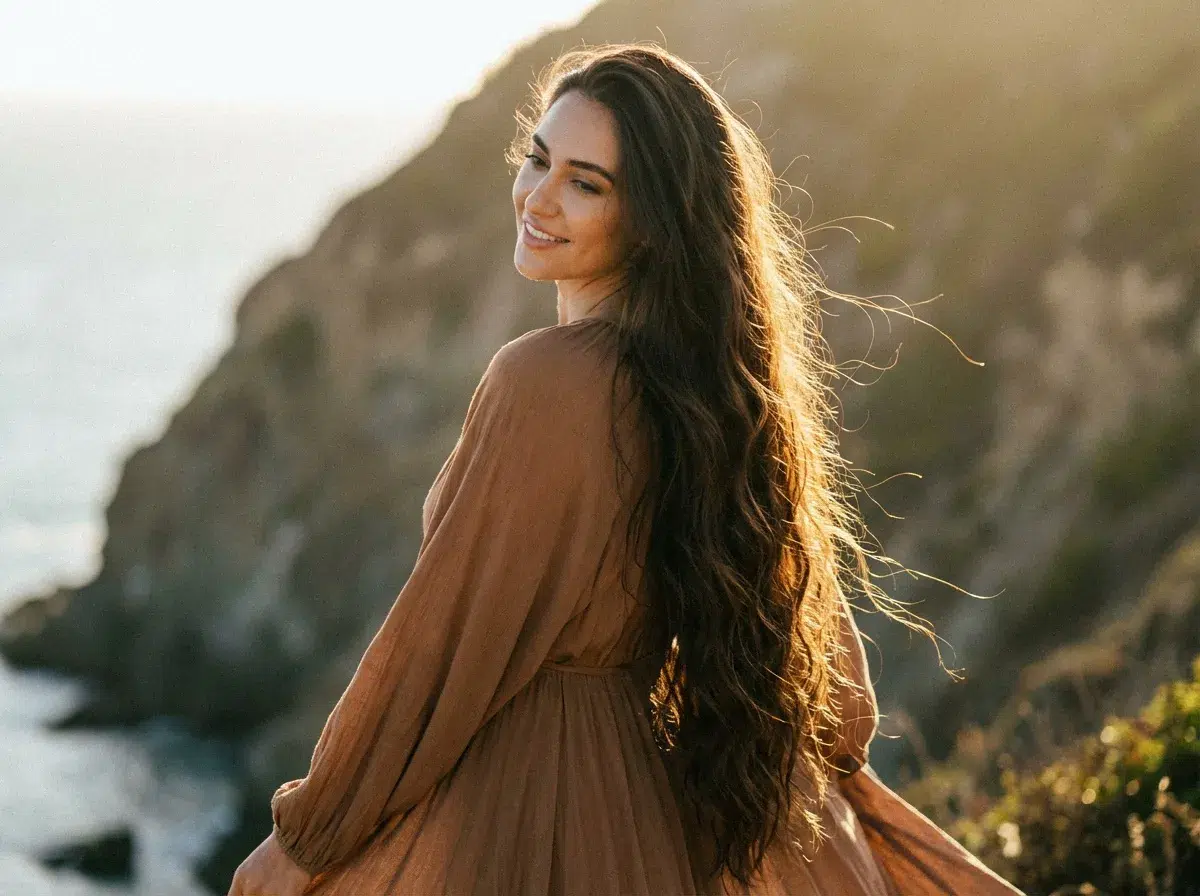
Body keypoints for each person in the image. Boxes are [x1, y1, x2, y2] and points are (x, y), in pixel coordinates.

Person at [228, 42, 1025, 896]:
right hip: (647, 812)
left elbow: (436, 650)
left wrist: (303, 842)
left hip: (522, 812)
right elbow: (842, 699)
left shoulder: (544, 378)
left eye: (585, 183)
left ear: (652, 218)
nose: (537, 196)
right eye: (537, 159)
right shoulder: (724, 394)